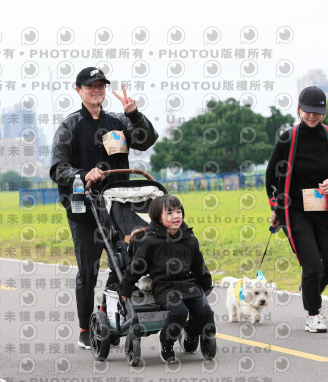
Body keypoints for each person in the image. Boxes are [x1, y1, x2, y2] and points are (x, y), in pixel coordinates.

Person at [49, 67, 159, 349]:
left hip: (118, 208)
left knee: (122, 263)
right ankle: (86, 329)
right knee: (88, 272)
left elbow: (146, 140)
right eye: (91, 86)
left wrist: (135, 114)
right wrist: (82, 174)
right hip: (85, 210)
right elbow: (58, 168)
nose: (97, 90)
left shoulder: (118, 121)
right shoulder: (70, 126)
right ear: (79, 91)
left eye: (101, 85)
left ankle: (107, 315)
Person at [265, 86, 328, 333]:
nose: (312, 116)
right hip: (295, 211)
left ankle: (310, 289)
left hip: (326, 210)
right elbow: (271, 175)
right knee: (312, 264)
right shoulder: (288, 138)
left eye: (317, 111)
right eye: (307, 111)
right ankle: (313, 314)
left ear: (324, 112)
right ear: (299, 109)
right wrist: (275, 208)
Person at [119, 195, 215, 363]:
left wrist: (206, 283)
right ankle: (166, 342)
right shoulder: (150, 241)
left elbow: (199, 265)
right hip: (164, 286)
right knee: (179, 312)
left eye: (178, 212)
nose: (176, 216)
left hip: (187, 283)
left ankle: (190, 333)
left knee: (205, 313)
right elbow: (136, 267)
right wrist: (125, 288)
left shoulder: (189, 239)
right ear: (158, 218)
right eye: (169, 213)